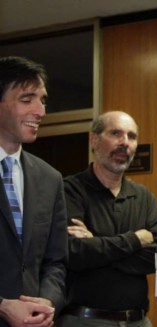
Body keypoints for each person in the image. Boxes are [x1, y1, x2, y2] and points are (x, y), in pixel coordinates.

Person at [56, 111, 157, 327]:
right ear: (94, 140)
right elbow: (75, 253)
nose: (124, 143)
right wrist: (135, 241)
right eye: (116, 133)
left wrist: (97, 243)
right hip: (85, 320)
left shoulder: (143, 196)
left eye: (132, 136)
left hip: (138, 321)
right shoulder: (70, 190)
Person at [0, 56, 68, 327]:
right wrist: (3, 306)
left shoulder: (50, 179)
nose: (40, 111)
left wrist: (48, 302)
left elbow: (57, 261)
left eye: (42, 100)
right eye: (27, 100)